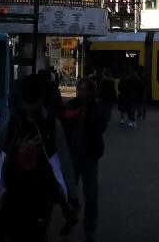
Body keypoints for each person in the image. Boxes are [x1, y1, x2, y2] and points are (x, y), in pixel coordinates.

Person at [0, 71, 75, 241]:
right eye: (27, 102)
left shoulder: (52, 126)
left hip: (41, 196)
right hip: (15, 194)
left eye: (34, 102)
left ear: (41, 99)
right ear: (22, 100)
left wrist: (71, 198)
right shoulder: (13, 124)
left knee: (37, 235)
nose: (30, 108)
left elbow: (64, 161)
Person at [58, 76, 105, 240]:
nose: (81, 93)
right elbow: (62, 121)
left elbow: (101, 125)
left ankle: (89, 228)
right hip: (72, 157)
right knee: (68, 192)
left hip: (89, 157)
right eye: (80, 90)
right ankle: (71, 217)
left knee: (91, 195)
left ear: (91, 92)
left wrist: (87, 118)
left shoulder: (96, 109)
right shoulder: (71, 106)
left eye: (85, 90)